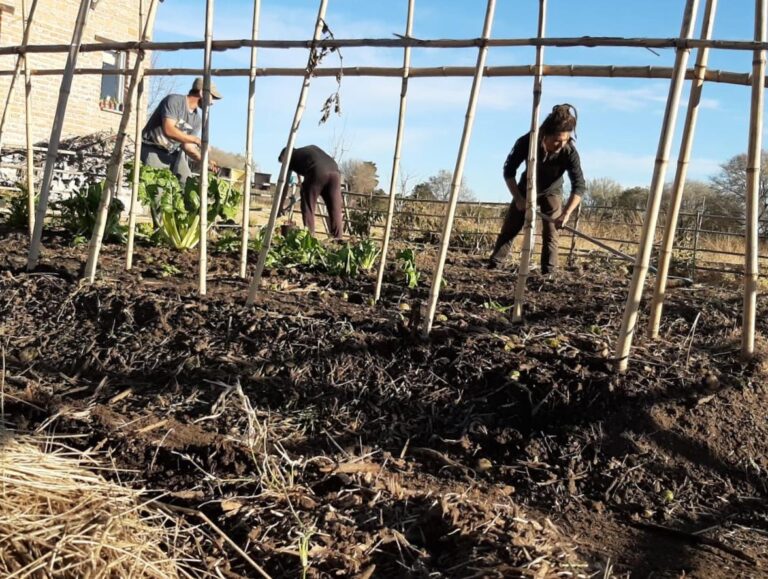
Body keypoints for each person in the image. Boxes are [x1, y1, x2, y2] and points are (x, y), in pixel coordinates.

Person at [488, 103, 586, 274]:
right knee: (510, 228)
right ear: (545, 135)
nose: (560, 145)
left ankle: (548, 272)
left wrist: (566, 213)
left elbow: (579, 186)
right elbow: (508, 171)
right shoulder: (527, 142)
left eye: (565, 140)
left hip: (552, 190)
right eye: (557, 140)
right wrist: (518, 199)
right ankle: (494, 265)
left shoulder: (569, 152)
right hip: (526, 188)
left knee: (551, 231)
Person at [140, 77, 221, 186]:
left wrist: (205, 161)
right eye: (212, 97)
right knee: (157, 190)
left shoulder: (196, 119)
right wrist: (196, 140)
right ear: (202, 93)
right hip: (152, 148)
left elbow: (187, 146)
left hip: (172, 153)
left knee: (186, 184)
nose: (213, 103)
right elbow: (168, 129)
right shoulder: (174, 101)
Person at [277, 145, 344, 240]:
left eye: (282, 162)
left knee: (307, 205)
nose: (283, 165)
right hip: (335, 171)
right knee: (335, 208)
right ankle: (338, 239)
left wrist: (279, 207)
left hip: (317, 170)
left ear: (284, 156)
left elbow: (284, 184)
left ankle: (310, 238)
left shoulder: (289, 158)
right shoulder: (306, 151)